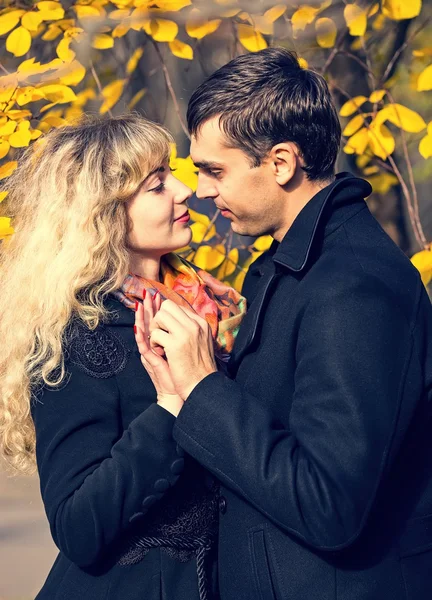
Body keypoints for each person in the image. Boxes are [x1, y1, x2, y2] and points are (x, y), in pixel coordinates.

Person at [135, 48, 432, 600]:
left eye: (214, 170)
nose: (199, 190)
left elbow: (330, 504)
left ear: (280, 163)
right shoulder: (285, 269)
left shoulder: (353, 287)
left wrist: (203, 388)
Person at [0, 114, 246, 600]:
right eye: (157, 186)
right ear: (103, 213)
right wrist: (173, 405)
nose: (185, 191)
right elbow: (77, 527)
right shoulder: (76, 337)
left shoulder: (211, 308)